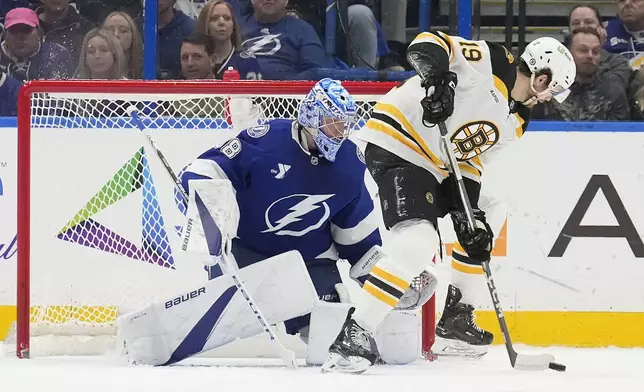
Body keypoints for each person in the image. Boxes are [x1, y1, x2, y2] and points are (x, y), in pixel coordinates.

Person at [117, 79, 432, 367]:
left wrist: (389, 278)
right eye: (331, 122)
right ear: (309, 115)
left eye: (343, 125)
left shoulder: (351, 163)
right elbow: (207, 168)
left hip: (311, 263)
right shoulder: (265, 140)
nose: (337, 132)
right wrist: (199, 193)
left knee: (330, 328)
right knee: (226, 309)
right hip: (246, 254)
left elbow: (357, 238)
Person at [321, 33, 576, 374]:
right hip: (396, 144)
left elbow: (469, 162)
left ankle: (456, 316)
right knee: (417, 242)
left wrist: (466, 216)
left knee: (489, 212)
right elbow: (427, 43)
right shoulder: (495, 61)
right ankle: (356, 333)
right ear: (542, 78)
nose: (550, 99)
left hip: (436, 165)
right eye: (553, 90)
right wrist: (439, 80)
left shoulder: (518, 121)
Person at [195, 0, 261, 79]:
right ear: (205, 24)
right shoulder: (194, 61)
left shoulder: (247, 61)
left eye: (227, 18)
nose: (222, 22)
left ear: (233, 25)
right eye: (214, 18)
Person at [102, 11, 143, 79]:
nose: (116, 34)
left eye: (123, 31)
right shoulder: (92, 66)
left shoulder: (146, 69)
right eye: (110, 30)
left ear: (133, 36)